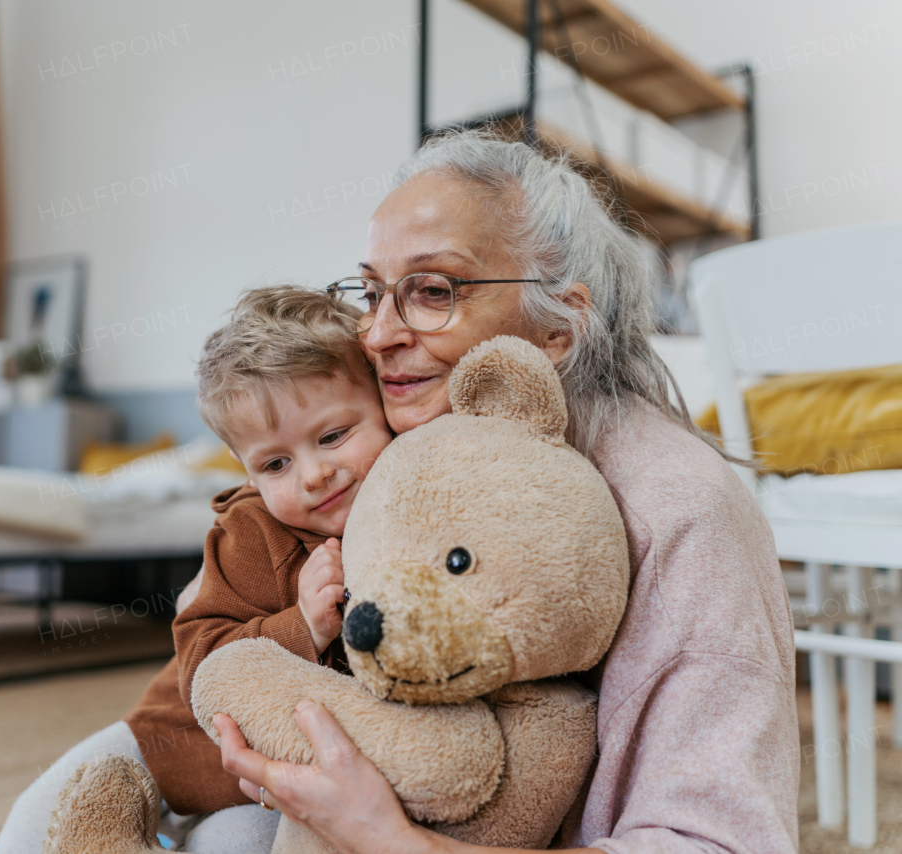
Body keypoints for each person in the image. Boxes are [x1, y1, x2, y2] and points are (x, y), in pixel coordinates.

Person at [215, 128, 800, 854]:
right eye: (370, 293)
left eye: (433, 291)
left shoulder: (678, 510)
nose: (376, 333)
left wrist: (389, 839)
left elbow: (718, 844)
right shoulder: (405, 456)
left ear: (559, 329)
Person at [0, 285, 393, 853]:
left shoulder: (406, 503)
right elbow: (202, 657)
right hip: (176, 737)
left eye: (333, 437)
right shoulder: (252, 531)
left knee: (239, 845)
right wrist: (302, 626)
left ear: (384, 403)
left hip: (268, 785)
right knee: (44, 815)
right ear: (246, 469)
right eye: (275, 463)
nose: (313, 475)